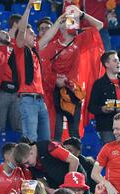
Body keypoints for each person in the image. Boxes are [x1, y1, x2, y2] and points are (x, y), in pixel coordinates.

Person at [38, 5, 103, 142]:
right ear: (60, 26)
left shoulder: (80, 41)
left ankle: (75, 159)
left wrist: (82, 14)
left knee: (74, 128)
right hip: (56, 89)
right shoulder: (53, 46)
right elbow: (42, 67)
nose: (73, 23)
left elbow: (99, 25)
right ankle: (57, 155)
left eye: (74, 20)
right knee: (57, 128)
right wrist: (55, 79)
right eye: (68, 21)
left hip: (74, 90)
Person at [13, 0, 50, 142]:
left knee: (45, 141)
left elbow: (49, 36)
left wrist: (60, 20)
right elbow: (21, 30)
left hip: (41, 100)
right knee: (31, 140)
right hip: (28, 99)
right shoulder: (20, 50)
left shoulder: (35, 51)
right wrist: (28, 8)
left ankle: (41, 165)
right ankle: (29, 165)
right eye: (31, 33)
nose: (35, 35)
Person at [88, 51, 120, 144]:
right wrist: (103, 109)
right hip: (107, 127)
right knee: (111, 155)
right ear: (107, 64)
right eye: (115, 61)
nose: (119, 63)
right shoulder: (99, 84)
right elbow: (91, 107)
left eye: (118, 61)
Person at [13, 141, 83, 192]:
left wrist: (70, 183)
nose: (27, 166)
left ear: (31, 152)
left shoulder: (50, 147)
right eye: (24, 164)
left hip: (76, 180)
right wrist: (49, 190)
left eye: (27, 162)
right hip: (57, 184)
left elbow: (74, 160)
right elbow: (40, 179)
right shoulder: (31, 164)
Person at [0, 30, 21, 134]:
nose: (6, 33)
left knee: (17, 127)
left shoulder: (14, 51)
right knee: (0, 126)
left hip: (17, 92)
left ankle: (17, 150)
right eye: (2, 32)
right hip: (2, 93)